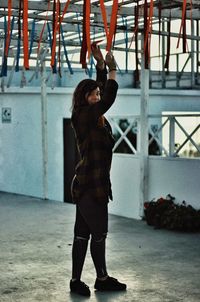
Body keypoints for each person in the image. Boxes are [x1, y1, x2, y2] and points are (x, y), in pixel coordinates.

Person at [70, 43, 127, 297]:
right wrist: (112, 69)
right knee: (99, 234)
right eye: (91, 94)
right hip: (90, 186)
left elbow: (103, 94)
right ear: (84, 99)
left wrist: (101, 66)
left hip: (94, 183)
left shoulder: (95, 117)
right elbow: (108, 97)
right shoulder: (84, 115)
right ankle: (101, 278)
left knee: (82, 234)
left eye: (96, 93)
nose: (96, 96)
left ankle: (76, 280)